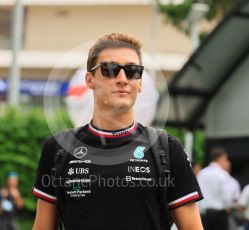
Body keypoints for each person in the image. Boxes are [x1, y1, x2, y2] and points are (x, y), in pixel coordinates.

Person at [32, 33, 204, 230]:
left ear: (139, 83)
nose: (122, 79)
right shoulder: (58, 148)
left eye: (132, 71)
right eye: (110, 69)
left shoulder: (167, 148)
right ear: (90, 80)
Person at [197, 147, 235, 230]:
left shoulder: (202, 173)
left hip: (203, 215)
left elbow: (197, 194)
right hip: (219, 215)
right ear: (222, 158)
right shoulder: (223, 174)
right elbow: (227, 198)